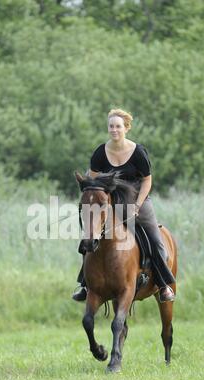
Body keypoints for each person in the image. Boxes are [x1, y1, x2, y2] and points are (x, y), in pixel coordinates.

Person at [72, 108, 175, 303]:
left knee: (155, 239)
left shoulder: (138, 152)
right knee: (89, 238)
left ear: (126, 128)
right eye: (111, 126)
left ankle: (163, 285)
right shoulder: (100, 153)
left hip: (138, 200)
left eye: (118, 126)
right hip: (110, 204)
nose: (114, 130)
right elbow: (91, 180)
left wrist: (137, 205)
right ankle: (84, 284)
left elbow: (147, 181)